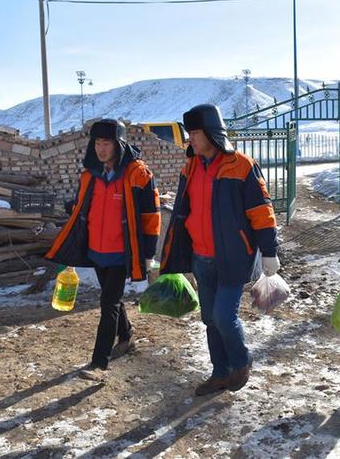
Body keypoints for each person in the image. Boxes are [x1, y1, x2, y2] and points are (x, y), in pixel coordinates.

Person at [160, 104, 279, 396]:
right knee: (209, 319)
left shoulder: (241, 165)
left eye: (195, 134)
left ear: (212, 134)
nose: (190, 140)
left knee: (224, 316)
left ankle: (241, 360)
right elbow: (182, 210)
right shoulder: (190, 166)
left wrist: (269, 250)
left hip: (233, 256)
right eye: (189, 134)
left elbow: (261, 210)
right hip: (202, 257)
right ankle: (220, 372)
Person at [46, 119, 161, 381]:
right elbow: (81, 208)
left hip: (123, 252)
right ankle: (127, 335)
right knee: (113, 300)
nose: (101, 149)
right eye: (97, 143)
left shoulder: (138, 175)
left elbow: (151, 216)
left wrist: (148, 254)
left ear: (118, 144)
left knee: (108, 303)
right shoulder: (90, 176)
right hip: (96, 251)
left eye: (106, 143)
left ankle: (99, 363)